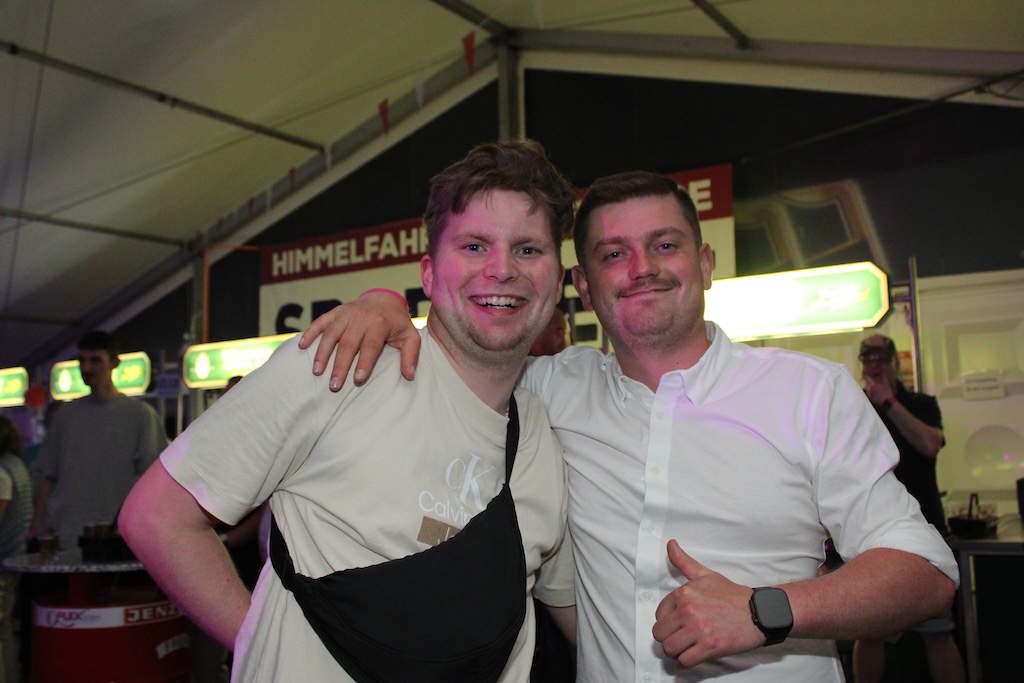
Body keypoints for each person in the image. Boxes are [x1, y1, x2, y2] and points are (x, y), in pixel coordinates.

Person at [301, 170, 959, 681]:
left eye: (664, 245)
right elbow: (455, 352)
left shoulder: (807, 392)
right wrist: (382, 303)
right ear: (584, 286)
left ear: (705, 263)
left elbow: (926, 569)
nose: (642, 267)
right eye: (614, 253)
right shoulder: (549, 389)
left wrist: (768, 608)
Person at [118, 139, 575, 682]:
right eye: (474, 246)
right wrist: (263, 644)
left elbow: (569, 606)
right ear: (429, 274)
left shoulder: (545, 435)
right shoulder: (340, 365)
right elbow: (156, 517)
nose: (502, 269)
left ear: (558, 282)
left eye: (528, 249)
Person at [852, 335, 964, 683]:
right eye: (869, 359)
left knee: (938, 632)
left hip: (924, 529)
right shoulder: (852, 406)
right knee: (869, 631)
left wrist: (889, 403)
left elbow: (930, 444)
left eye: (882, 359)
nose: (875, 365)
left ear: (895, 364)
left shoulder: (920, 403)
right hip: (871, 534)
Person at [29, 330, 168, 546]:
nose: (86, 368)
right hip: (65, 530)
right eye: (82, 361)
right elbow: (49, 478)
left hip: (113, 533)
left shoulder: (140, 415)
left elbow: (151, 480)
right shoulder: (66, 415)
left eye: (95, 361)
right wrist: (35, 531)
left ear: (114, 363)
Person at [0, 416, 32, 683]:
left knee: (3, 630)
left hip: (4, 559)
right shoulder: (17, 465)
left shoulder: (1, 471)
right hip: (16, 555)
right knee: (6, 629)